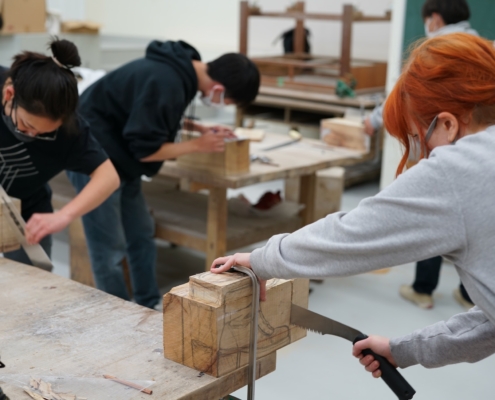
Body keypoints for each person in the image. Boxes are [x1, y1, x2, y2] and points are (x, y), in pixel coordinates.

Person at [211, 33, 495, 379]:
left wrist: (261, 261)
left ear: (448, 125)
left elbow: (352, 233)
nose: (425, 157)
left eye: (419, 139)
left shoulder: (462, 168)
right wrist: (405, 350)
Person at [67, 40, 260, 309]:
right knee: (109, 248)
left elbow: (150, 114)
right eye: (228, 101)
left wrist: (197, 128)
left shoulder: (180, 71)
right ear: (218, 89)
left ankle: (147, 306)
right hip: (92, 158)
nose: (222, 104)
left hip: (119, 158)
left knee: (141, 234)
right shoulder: (167, 81)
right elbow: (146, 150)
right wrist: (197, 145)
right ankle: (117, 315)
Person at [364, 0, 477, 310]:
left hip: (444, 147)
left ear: (435, 18)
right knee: (471, 222)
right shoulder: (482, 48)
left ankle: (423, 290)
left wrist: (374, 120)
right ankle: (470, 295)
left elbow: (402, 94)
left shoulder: (435, 51)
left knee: (434, 218)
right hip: (478, 154)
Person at [0, 39, 119, 267]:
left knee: (33, 280)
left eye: (43, 133)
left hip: (27, 211)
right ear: (9, 95)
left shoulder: (70, 132)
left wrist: (64, 215)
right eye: (26, 125)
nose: (32, 135)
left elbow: (108, 177)